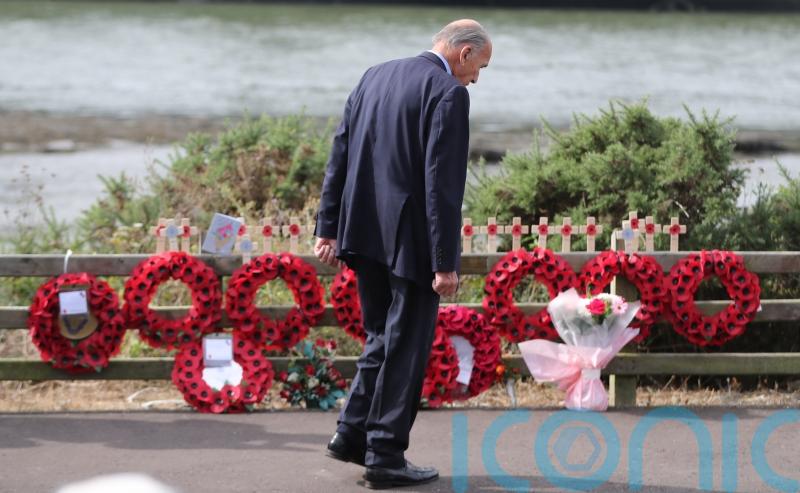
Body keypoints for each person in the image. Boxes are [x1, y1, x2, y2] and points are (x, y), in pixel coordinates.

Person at [313, 19, 491, 490]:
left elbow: (341, 153)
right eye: (481, 68)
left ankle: (351, 434)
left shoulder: (375, 74)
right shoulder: (449, 94)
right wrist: (445, 262)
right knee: (405, 346)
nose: (476, 79)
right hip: (411, 241)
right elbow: (443, 187)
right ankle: (386, 455)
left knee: (380, 336)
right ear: (464, 53)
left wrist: (327, 226)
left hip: (362, 230)